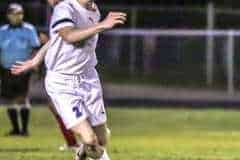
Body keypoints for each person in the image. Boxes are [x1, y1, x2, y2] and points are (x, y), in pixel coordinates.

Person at [12, 0, 126, 159]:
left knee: (102, 139)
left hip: (88, 78)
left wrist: (36, 59)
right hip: (63, 82)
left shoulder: (94, 10)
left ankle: (83, 152)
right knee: (90, 139)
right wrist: (102, 25)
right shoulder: (65, 8)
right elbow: (68, 35)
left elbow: (55, 39)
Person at [12, 0, 80, 151]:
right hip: (61, 67)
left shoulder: (66, 10)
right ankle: (74, 141)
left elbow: (68, 38)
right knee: (56, 106)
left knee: (61, 105)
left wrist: (47, 43)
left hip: (68, 67)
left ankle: (81, 139)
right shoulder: (61, 11)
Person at [0, 3, 40, 136]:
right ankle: (15, 129)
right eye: (13, 14)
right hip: (6, 69)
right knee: (9, 99)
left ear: (22, 15)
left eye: (19, 13)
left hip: (23, 69)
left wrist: (33, 64)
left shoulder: (29, 29)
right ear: (8, 16)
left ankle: (24, 130)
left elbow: (35, 48)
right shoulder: (2, 31)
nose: (16, 16)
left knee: (22, 98)